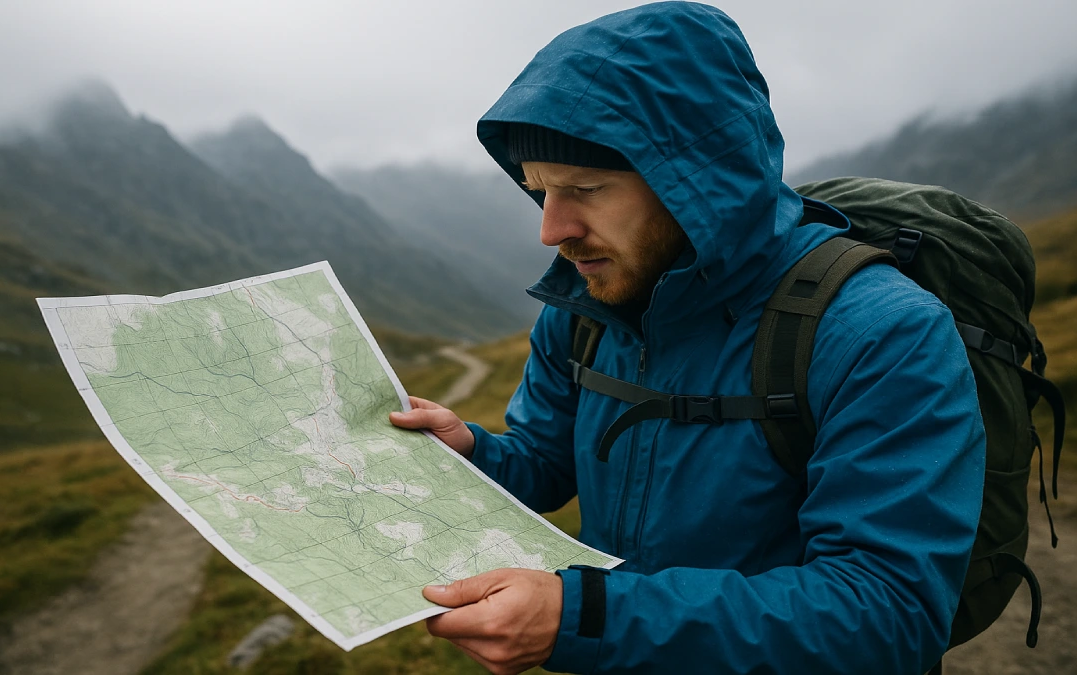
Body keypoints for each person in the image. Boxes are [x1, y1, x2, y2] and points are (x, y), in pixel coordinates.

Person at [389, 3, 985, 673]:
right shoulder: (585, 306)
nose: (552, 230)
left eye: (586, 187)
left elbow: (888, 613)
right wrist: (471, 453)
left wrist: (589, 617)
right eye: (540, 189)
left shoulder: (882, 332)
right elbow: (546, 461)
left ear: (696, 181)